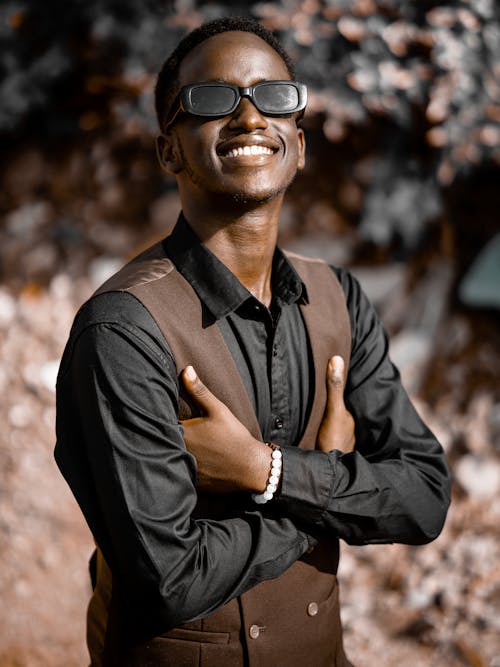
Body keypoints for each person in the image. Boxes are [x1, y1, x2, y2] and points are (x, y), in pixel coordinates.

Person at [55, 16, 450, 667]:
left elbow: (425, 497)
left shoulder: (339, 298)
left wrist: (267, 471)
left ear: (299, 139)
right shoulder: (124, 331)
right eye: (213, 99)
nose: (248, 116)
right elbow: (169, 579)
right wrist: (326, 491)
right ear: (169, 151)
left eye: (274, 96)